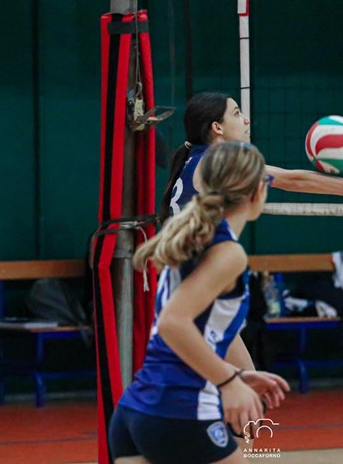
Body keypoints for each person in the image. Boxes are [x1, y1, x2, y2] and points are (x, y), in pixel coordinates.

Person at [109, 142, 290, 464]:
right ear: (257, 191)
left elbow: (177, 335)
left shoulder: (189, 240)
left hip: (135, 411)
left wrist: (235, 374)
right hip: (181, 411)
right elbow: (173, 323)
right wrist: (228, 381)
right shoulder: (226, 252)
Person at [162, 91, 343, 218]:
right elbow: (293, 180)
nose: (246, 120)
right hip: (194, 275)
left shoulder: (195, 161)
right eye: (237, 113)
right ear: (217, 127)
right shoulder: (217, 163)